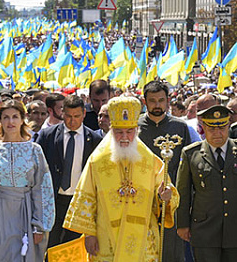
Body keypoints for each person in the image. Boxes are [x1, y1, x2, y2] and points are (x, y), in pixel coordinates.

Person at [63, 96, 179, 261]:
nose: (124, 137)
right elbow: (86, 197)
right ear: (111, 131)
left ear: (136, 130)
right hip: (106, 237)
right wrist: (89, 234)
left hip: (143, 238)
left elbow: (165, 194)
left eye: (129, 131)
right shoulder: (97, 160)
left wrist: (165, 196)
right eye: (119, 132)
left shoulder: (149, 160)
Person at [0, 99, 55, 261]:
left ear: (23, 119)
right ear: (0, 120)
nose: (10, 121)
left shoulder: (34, 150)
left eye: (15, 116)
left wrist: (40, 226)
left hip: (26, 214)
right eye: (6, 117)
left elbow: (43, 188)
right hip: (0, 215)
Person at [37, 94, 102, 248]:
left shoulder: (94, 140)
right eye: (68, 116)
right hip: (53, 200)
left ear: (84, 114)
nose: (72, 121)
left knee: (73, 246)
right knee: (51, 245)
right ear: (62, 113)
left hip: (78, 202)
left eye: (77, 116)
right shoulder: (48, 136)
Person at [138, 80, 191, 261]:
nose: (157, 105)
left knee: (171, 250)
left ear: (168, 100)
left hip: (171, 200)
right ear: (144, 102)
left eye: (161, 100)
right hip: (142, 198)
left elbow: (188, 164)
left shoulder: (180, 127)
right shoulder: (135, 128)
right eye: (152, 101)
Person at [177, 105, 237, 262]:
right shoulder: (191, 154)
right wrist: (182, 224)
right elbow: (183, 192)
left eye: (222, 128)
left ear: (229, 125)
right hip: (205, 231)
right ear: (203, 127)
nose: (217, 133)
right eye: (211, 128)